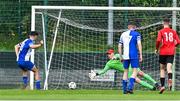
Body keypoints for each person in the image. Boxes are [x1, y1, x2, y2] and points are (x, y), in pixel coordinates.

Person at [89, 48, 163, 91]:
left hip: (130, 66)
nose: (108, 55)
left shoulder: (117, 55)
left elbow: (124, 57)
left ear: (113, 53)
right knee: (138, 79)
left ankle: (155, 84)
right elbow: (103, 71)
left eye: (109, 53)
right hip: (128, 70)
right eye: (108, 54)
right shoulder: (109, 64)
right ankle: (153, 88)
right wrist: (96, 74)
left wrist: (118, 57)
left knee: (141, 74)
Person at [155, 18, 180, 93]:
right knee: (169, 68)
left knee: (162, 69)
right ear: (169, 23)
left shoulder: (161, 31)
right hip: (171, 52)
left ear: (163, 23)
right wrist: (175, 46)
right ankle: (170, 79)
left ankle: (162, 86)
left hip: (163, 52)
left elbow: (158, 40)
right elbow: (178, 41)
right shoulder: (173, 32)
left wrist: (156, 48)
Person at [118, 22, 142, 94]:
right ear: (134, 27)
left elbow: (119, 46)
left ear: (128, 27)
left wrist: (120, 56)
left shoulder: (123, 34)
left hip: (125, 55)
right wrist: (140, 54)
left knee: (125, 71)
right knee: (135, 71)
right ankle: (130, 87)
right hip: (133, 54)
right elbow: (139, 44)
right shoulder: (137, 34)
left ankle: (124, 90)